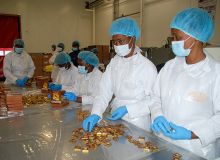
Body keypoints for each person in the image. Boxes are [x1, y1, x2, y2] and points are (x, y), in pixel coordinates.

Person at [150, 8, 219, 159]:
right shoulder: (169, 67)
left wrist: (191, 134)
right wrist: (157, 116)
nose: (173, 42)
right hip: (164, 144)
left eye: (177, 37)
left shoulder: (215, 73)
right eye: (172, 37)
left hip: (195, 149)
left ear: (195, 38)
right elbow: (155, 98)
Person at [82, 17, 157, 132]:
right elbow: (103, 91)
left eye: (120, 41)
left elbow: (154, 101)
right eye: (114, 42)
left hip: (137, 121)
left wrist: (128, 109)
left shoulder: (146, 66)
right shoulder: (114, 62)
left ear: (132, 39)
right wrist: (96, 113)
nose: (116, 45)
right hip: (115, 117)